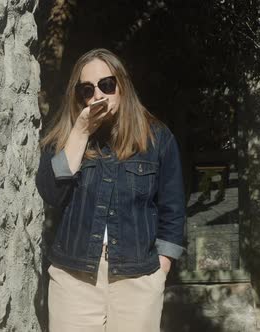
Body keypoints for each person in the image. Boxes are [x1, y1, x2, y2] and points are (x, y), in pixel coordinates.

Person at [35, 48, 186, 332]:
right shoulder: (65, 138)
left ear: (122, 85)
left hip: (137, 277)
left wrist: (161, 269)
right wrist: (80, 133)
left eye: (107, 84)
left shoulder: (158, 138)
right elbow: (51, 194)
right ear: (78, 96)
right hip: (74, 277)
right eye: (87, 90)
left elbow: (173, 209)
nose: (98, 95)